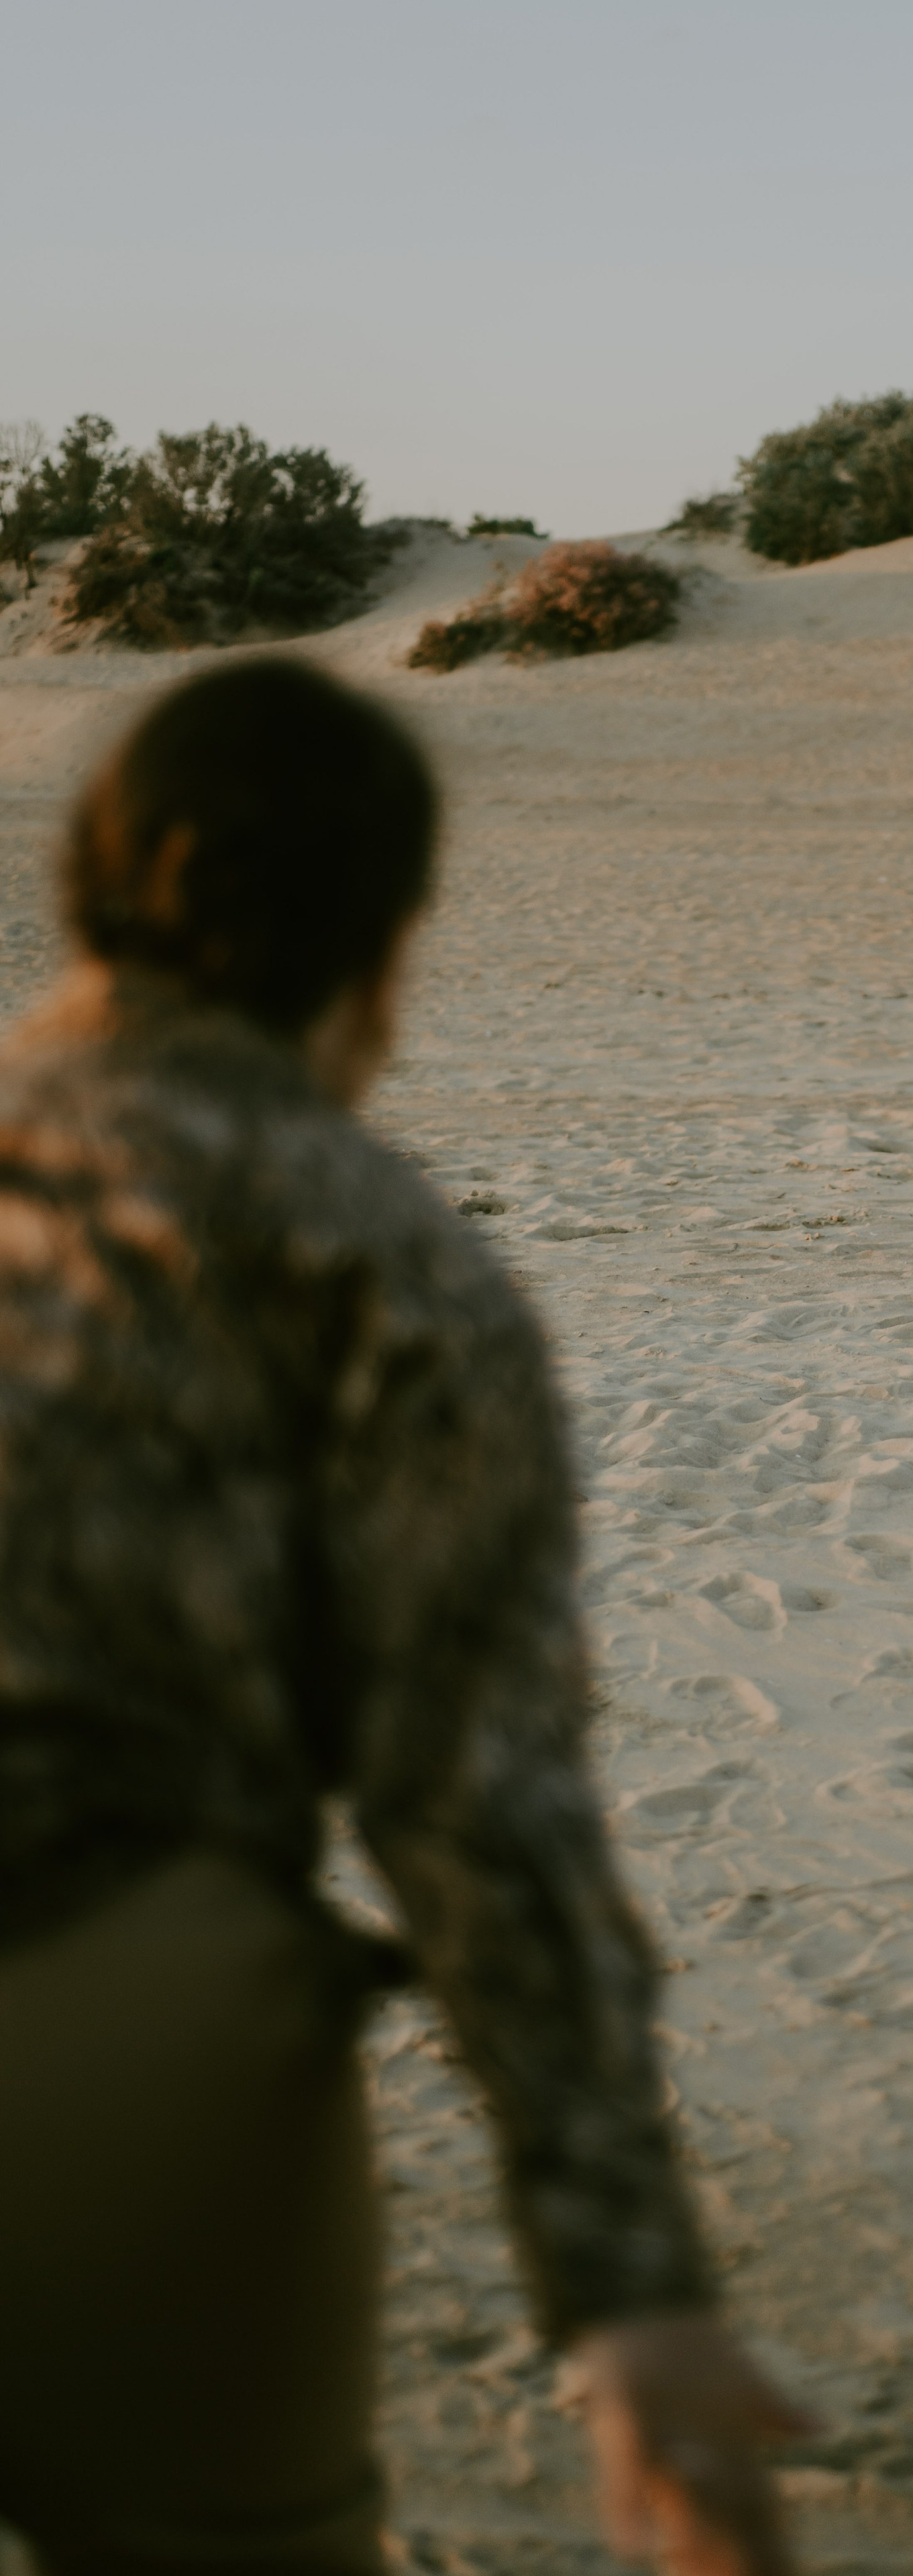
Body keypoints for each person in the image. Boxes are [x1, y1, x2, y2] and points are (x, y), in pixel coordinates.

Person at [0, 658, 806, 2576]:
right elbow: (473, 1802)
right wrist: (633, 2295)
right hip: (111, 1998)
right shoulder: (385, 1258)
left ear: (88, 887)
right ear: (386, 944)